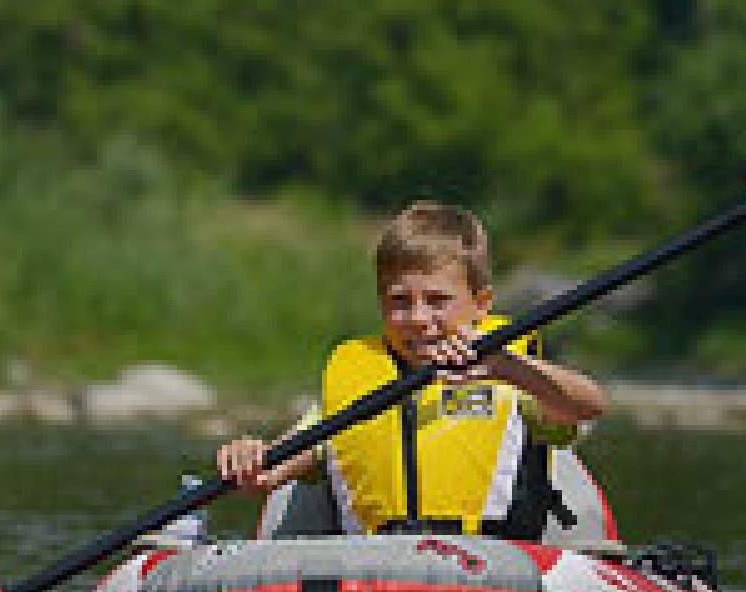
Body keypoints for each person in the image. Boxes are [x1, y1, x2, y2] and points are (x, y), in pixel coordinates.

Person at [216, 201, 606, 538]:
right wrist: (253, 458)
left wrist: (508, 368)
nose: (418, 318)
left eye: (437, 300)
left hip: (490, 570)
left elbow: (588, 406)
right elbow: (279, 466)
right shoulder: (357, 381)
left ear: (480, 303)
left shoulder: (511, 373)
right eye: (400, 301)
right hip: (375, 576)